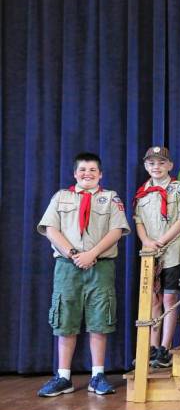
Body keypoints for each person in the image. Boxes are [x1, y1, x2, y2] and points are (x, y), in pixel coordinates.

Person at [37, 152, 130, 397]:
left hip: (100, 266)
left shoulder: (110, 198)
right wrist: (73, 253)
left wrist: (92, 254)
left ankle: (97, 375)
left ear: (100, 174)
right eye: (82, 170)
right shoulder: (61, 197)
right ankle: (63, 376)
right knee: (65, 319)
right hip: (68, 267)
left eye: (92, 170)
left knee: (100, 319)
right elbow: (50, 228)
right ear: (74, 173)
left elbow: (117, 230)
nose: (87, 174)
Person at [133, 146, 180, 368]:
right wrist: (147, 241)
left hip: (173, 252)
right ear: (146, 166)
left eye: (160, 163)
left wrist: (163, 240)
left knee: (169, 299)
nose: (156, 167)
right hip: (151, 253)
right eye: (151, 163)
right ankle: (151, 346)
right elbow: (138, 221)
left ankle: (165, 347)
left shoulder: (179, 189)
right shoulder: (143, 192)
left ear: (170, 165)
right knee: (152, 300)